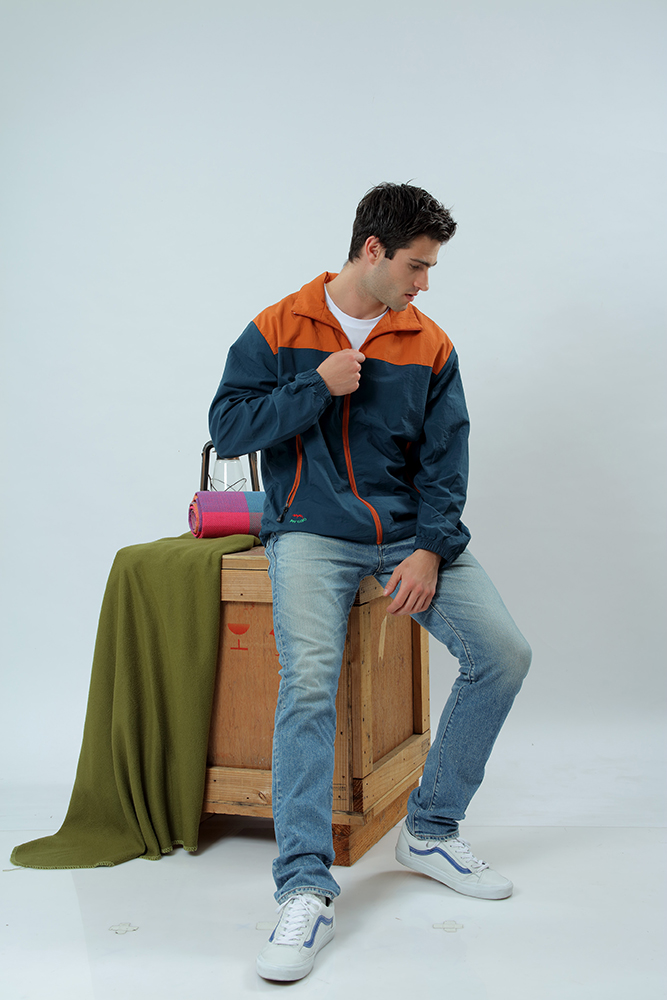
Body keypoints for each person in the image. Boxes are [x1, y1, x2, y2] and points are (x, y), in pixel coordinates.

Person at [208, 182, 531, 982]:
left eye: (430, 270)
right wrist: (316, 385)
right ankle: (303, 888)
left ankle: (429, 828)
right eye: (416, 266)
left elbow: (446, 462)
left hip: (408, 539)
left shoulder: (428, 343)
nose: (423, 284)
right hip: (309, 533)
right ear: (373, 250)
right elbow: (227, 428)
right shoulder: (279, 326)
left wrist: (430, 550)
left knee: (503, 655)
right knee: (308, 685)